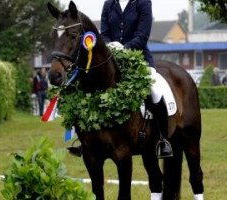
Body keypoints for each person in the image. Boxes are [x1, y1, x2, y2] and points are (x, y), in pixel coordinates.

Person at [68, 0, 173, 159]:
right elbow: (104, 33)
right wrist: (110, 45)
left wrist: (124, 48)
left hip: (139, 58)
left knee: (156, 90)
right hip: (110, 59)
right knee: (84, 89)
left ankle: (163, 140)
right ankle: (84, 141)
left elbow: (142, 35)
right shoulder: (109, 4)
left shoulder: (143, 3)